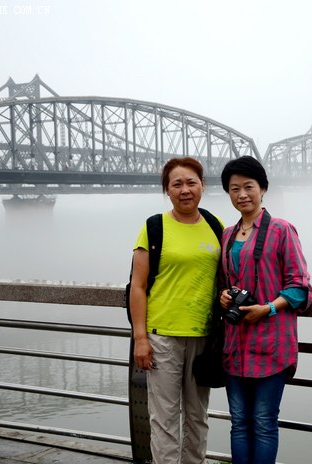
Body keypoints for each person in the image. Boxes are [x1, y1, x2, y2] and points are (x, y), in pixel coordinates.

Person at [218, 156, 312, 464]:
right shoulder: (227, 234)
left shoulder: (282, 230)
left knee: (263, 422)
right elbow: (225, 282)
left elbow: (300, 285)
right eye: (234, 189)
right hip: (235, 344)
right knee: (238, 423)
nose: (242, 194)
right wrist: (224, 296)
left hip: (271, 343)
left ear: (263, 188)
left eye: (249, 187)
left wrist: (269, 308)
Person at [129, 156, 223, 464]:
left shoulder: (215, 226)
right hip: (162, 337)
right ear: (167, 190)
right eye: (177, 184)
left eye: (191, 182)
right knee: (165, 420)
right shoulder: (154, 227)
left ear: (202, 186)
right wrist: (140, 338)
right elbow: (138, 286)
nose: (185, 190)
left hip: (204, 337)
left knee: (198, 417)